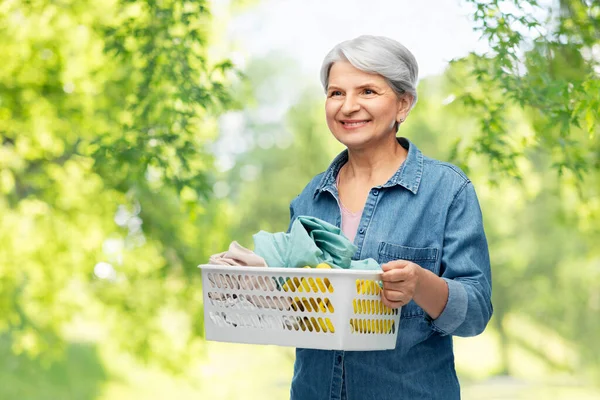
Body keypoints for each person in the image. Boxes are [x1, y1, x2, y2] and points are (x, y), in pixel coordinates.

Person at [287, 35, 493, 400]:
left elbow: (475, 313)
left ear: (403, 104)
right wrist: (254, 266)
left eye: (367, 91)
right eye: (336, 93)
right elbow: (291, 301)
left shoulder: (447, 190)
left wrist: (421, 284)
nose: (348, 107)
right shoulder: (309, 198)